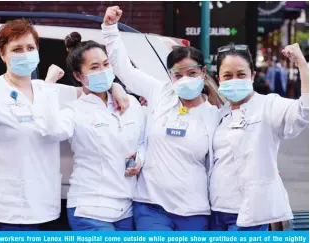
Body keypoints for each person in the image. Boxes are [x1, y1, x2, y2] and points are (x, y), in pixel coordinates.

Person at [0, 19, 129, 231]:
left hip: (46, 208)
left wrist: (116, 88)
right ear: (2, 54)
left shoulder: (47, 91)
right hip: (10, 211)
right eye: (17, 49)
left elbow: (91, 88)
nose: (25, 53)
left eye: (30, 48)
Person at [102, 6, 219, 231]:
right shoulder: (160, 93)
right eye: (177, 74)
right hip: (151, 206)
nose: (185, 79)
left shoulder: (215, 115)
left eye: (192, 73)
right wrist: (110, 29)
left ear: (203, 73)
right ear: (169, 76)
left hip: (194, 211)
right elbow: (124, 69)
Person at [40, 33, 146, 231]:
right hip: (90, 209)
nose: (104, 71)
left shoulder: (130, 103)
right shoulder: (74, 110)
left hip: (127, 208)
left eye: (106, 64)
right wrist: (48, 86)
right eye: (95, 67)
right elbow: (53, 130)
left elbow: (143, 140)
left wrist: (140, 158)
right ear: (79, 76)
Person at [210, 43, 309, 231]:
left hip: (251, 215)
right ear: (219, 79)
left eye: (241, 74)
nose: (234, 80)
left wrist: (302, 64)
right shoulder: (219, 114)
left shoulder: (268, 105)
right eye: (227, 76)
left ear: (252, 76)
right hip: (216, 211)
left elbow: (305, 111)